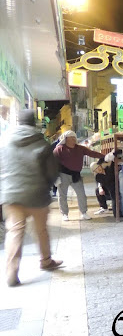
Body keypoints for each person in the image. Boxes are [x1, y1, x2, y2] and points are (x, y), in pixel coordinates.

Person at [0, 109, 62, 286]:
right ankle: (46, 260)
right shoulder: (41, 142)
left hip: (11, 194)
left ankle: (12, 272)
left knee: (14, 231)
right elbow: (51, 171)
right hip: (36, 193)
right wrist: (49, 185)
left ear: (18, 121)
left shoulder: (4, 140)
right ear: (33, 122)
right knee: (40, 230)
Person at [53, 130, 104, 221]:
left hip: (76, 175)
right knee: (62, 195)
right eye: (71, 138)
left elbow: (92, 153)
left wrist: (104, 156)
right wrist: (55, 176)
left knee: (81, 194)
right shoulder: (59, 149)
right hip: (63, 174)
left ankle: (84, 212)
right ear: (66, 139)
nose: (73, 139)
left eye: (74, 138)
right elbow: (52, 162)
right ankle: (65, 214)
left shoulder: (80, 148)